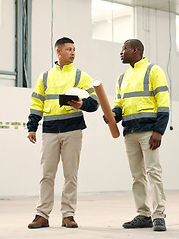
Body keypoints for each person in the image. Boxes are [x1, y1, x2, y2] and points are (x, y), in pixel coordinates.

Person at [26, 37, 99, 229]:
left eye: (74, 49)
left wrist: (82, 104)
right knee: (46, 174)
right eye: (69, 49)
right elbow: (36, 103)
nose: (73, 53)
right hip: (49, 131)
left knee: (70, 175)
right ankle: (42, 215)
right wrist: (32, 127)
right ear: (58, 51)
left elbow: (95, 102)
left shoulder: (80, 76)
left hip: (73, 130)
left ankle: (68, 215)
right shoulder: (44, 77)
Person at [106, 39, 170, 231]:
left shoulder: (154, 71)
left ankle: (159, 216)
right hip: (130, 132)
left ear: (135, 50)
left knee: (154, 173)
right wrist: (113, 115)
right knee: (137, 176)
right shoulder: (121, 78)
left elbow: (163, 102)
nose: (121, 52)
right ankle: (143, 214)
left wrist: (159, 130)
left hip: (149, 132)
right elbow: (120, 104)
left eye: (123, 48)